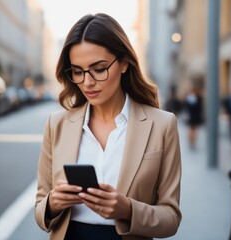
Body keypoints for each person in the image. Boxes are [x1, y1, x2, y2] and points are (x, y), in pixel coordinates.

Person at [35, 13, 182, 240]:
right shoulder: (57, 124)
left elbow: (171, 218)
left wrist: (127, 209)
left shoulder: (162, 125)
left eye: (99, 69)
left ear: (123, 63)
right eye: (77, 71)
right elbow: (40, 208)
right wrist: (53, 203)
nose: (87, 81)